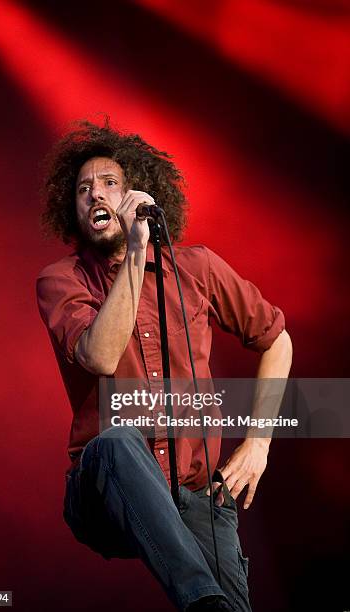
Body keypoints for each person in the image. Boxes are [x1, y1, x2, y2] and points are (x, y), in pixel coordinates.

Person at [36, 120, 293, 611]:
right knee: (115, 441)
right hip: (105, 491)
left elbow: (276, 339)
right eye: (83, 189)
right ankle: (202, 602)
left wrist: (259, 442)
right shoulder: (60, 280)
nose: (95, 195)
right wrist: (135, 251)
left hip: (194, 491)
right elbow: (101, 355)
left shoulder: (196, 267)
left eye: (110, 183)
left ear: (139, 191)